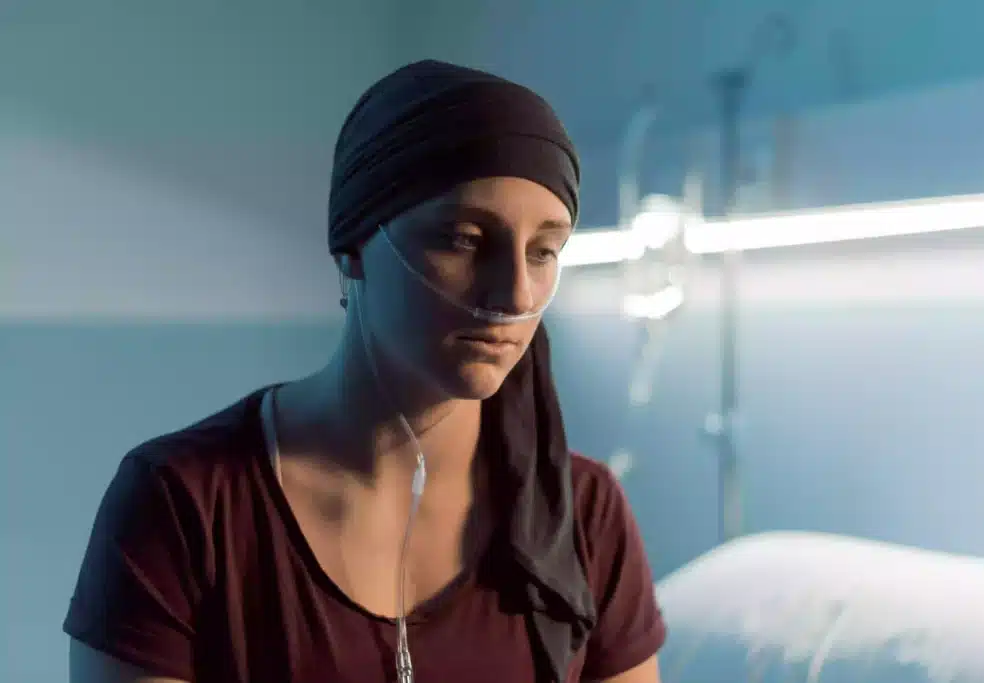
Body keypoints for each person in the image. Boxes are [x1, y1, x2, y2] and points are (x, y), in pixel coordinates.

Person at [65, 60, 665, 683]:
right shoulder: (185, 503)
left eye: (544, 251)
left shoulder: (585, 515)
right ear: (352, 249)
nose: (515, 293)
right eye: (463, 239)